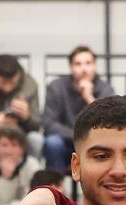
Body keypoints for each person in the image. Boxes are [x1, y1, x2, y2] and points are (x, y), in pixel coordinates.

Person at [42, 46, 115, 174]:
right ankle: (56, 189)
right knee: (52, 143)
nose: (84, 69)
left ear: (95, 66)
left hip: (94, 144)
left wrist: (89, 97)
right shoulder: (57, 87)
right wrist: (76, 136)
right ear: (71, 68)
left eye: (88, 63)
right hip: (66, 143)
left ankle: (98, 192)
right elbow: (49, 124)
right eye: (78, 64)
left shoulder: (105, 89)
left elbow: (109, 124)